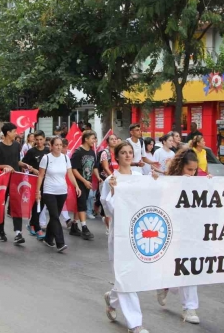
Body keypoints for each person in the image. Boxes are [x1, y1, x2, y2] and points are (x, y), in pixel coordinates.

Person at [100, 141, 150, 333]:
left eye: (130, 152)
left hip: (138, 232)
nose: (128, 155)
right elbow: (108, 210)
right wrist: (113, 190)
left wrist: (155, 181)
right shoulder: (111, 179)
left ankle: (112, 298)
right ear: (117, 156)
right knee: (124, 275)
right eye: (124, 152)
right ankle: (135, 324)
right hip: (119, 233)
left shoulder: (139, 177)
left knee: (130, 276)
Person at [155, 149, 208, 325]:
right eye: (189, 170)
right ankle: (165, 284)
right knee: (175, 266)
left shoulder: (198, 182)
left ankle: (189, 306)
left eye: (194, 170)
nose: (192, 174)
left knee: (190, 267)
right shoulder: (168, 183)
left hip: (192, 231)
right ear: (179, 167)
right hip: (173, 230)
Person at [0, 122, 34, 244]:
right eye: (14, 131)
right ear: (8, 133)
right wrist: (4, 166)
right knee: (1, 206)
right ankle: (1, 231)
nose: (17, 133)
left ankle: (18, 233)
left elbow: (16, 161)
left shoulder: (16, 145)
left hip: (15, 180)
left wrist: (24, 165)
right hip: (2, 181)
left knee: (16, 206)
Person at [36, 137, 80, 252]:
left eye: (61, 145)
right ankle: (60, 243)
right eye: (56, 145)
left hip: (62, 192)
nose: (59, 147)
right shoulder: (46, 158)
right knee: (55, 216)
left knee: (54, 217)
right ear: (51, 146)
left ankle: (48, 238)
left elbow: (70, 174)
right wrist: (37, 191)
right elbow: (40, 175)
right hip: (49, 191)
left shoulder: (65, 158)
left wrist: (76, 186)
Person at [70, 130, 101, 240]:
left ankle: (74, 225)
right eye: (93, 138)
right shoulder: (78, 152)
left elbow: (95, 167)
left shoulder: (92, 152)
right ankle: (84, 228)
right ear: (86, 139)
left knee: (80, 204)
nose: (94, 140)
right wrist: (84, 181)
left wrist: (97, 177)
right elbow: (73, 170)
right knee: (82, 204)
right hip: (79, 182)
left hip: (87, 182)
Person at [21, 131, 48, 237]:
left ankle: (32, 223)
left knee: (43, 203)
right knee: (37, 202)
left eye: (41, 139)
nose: (39, 142)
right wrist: (31, 169)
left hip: (47, 181)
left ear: (44, 139)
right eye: (37, 139)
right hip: (35, 180)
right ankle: (37, 227)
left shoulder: (47, 150)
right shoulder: (32, 151)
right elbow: (23, 163)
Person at [97, 134, 120, 234]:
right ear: (107, 142)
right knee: (106, 203)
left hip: (117, 180)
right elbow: (106, 168)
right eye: (112, 139)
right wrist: (113, 177)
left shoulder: (119, 152)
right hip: (107, 180)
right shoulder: (105, 153)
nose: (114, 141)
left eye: (115, 139)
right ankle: (108, 226)